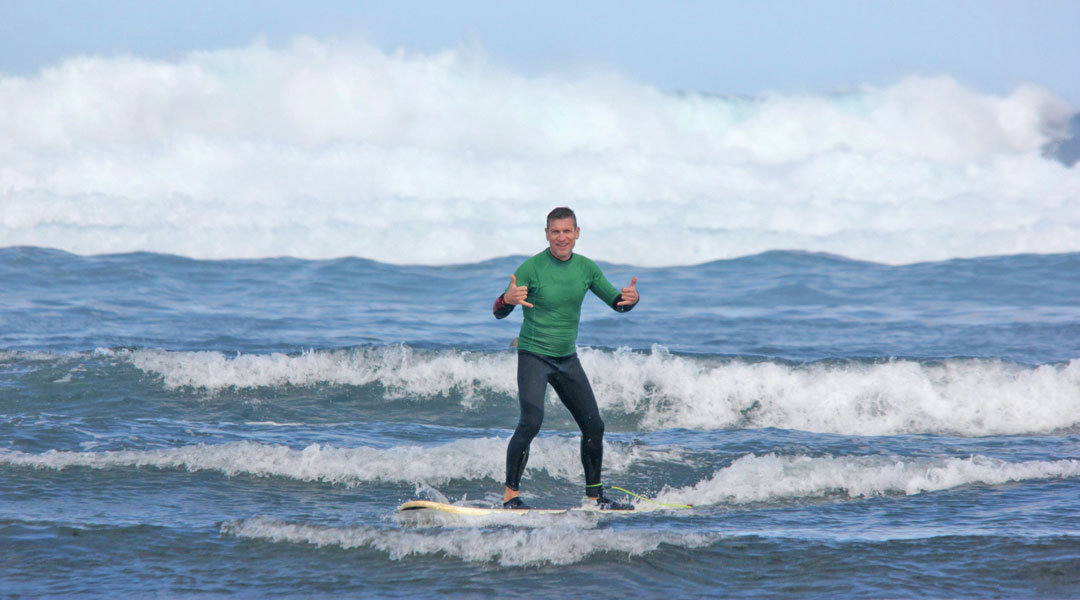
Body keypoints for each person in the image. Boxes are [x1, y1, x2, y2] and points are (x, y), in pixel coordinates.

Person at [493, 207, 639, 510]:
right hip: (534, 354)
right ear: (546, 234)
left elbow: (617, 304)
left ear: (577, 233)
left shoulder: (587, 269)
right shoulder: (532, 268)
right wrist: (507, 300)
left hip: (566, 358)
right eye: (555, 232)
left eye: (567, 231)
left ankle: (594, 497)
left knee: (594, 425)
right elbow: (499, 310)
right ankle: (511, 496)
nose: (562, 238)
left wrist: (631, 301)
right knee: (531, 421)